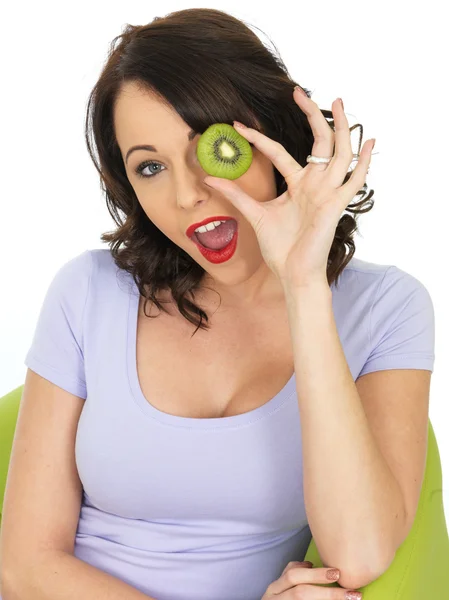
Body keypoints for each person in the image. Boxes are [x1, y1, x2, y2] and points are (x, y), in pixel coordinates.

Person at [0, 8, 435, 600]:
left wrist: (302, 284)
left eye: (213, 148)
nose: (186, 195)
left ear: (275, 134)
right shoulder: (88, 290)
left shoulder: (387, 307)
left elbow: (358, 554)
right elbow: (23, 568)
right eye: (149, 167)